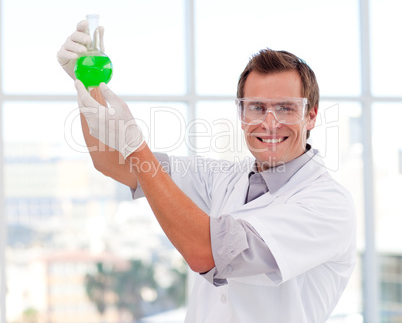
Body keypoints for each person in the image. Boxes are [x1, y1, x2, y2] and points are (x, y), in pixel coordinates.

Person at [57, 20, 356, 323]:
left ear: (312, 116)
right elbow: (112, 162)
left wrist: (136, 146)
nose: (270, 122)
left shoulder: (328, 205)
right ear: (241, 114)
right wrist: (88, 82)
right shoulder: (223, 178)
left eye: (285, 108)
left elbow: (207, 252)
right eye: (256, 107)